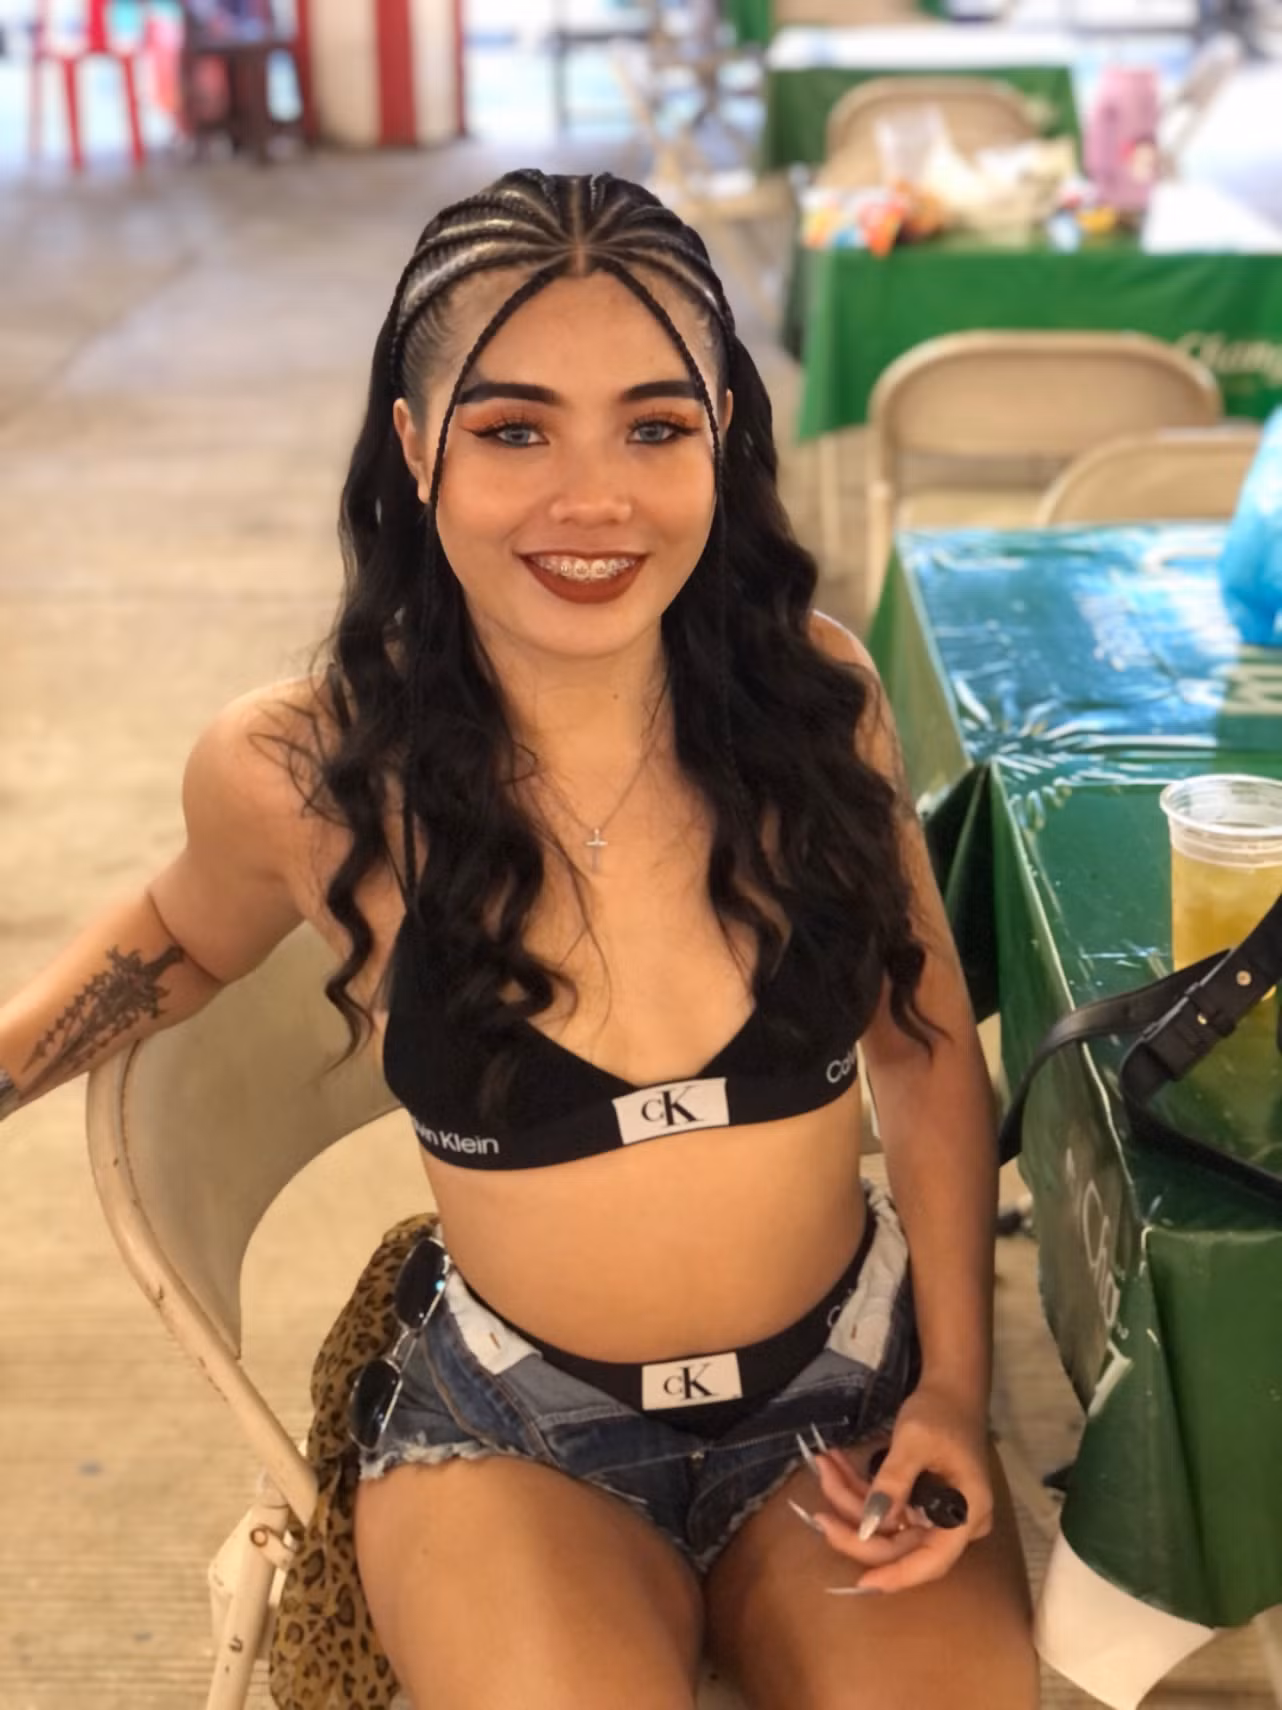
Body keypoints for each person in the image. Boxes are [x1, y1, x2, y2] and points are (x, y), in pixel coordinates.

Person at [0, 168, 1038, 1708]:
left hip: (844, 1395)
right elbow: (176, 934)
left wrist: (950, 1383)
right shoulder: (304, 772)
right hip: (512, 1432)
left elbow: (925, 1047)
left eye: (653, 428)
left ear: (722, 433)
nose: (592, 499)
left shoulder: (816, 702)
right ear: (417, 446)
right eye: (513, 430)